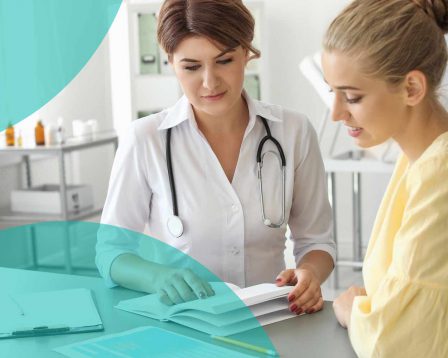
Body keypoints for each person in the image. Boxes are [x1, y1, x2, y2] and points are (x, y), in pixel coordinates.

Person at [96, 0, 335, 312]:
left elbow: (317, 242)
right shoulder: (145, 140)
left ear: (247, 54)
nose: (209, 82)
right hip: (183, 326)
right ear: (170, 62)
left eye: (224, 61)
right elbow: (111, 252)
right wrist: (157, 277)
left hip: (270, 320)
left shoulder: (293, 131)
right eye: (191, 67)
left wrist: (309, 274)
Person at [321, 0, 448, 356]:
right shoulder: (418, 161)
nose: (336, 114)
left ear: (411, 88)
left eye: (352, 97)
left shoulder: (440, 176)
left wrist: (354, 313)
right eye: (333, 92)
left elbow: (394, 342)